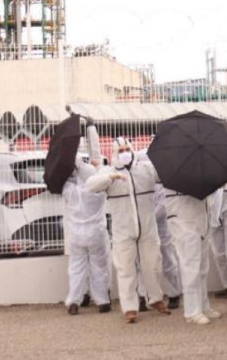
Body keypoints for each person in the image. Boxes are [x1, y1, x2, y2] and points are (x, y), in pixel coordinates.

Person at [86, 138, 171, 323]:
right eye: (120, 150)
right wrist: (110, 177)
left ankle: (155, 299)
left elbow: (166, 173)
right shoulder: (108, 172)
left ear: (132, 150)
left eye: (127, 149)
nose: (125, 152)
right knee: (125, 270)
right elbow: (90, 185)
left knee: (153, 265)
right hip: (123, 230)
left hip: (148, 228)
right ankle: (130, 308)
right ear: (115, 153)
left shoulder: (145, 169)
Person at [62, 124, 111, 315]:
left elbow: (67, 177)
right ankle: (103, 301)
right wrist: (92, 132)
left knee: (76, 268)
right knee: (99, 266)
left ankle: (74, 301)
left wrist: (72, 164)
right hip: (95, 232)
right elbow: (99, 172)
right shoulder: (96, 191)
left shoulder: (70, 190)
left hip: (76, 234)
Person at [163, 187, 220, 325]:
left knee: (202, 267)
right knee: (191, 266)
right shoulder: (173, 174)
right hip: (183, 221)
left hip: (201, 219)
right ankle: (192, 311)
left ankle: (203, 305)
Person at [153, 184, 182, 310]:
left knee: (168, 260)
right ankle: (145, 296)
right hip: (144, 230)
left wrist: (147, 219)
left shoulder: (161, 185)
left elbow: (163, 206)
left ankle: (174, 294)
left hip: (162, 228)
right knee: (143, 263)